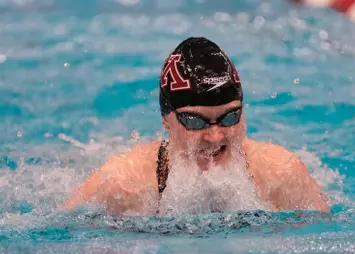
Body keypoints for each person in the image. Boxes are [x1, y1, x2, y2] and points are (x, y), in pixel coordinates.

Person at [63, 37, 329, 216]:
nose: (215, 136)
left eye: (229, 117)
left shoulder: (281, 175)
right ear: (166, 120)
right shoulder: (123, 184)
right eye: (194, 120)